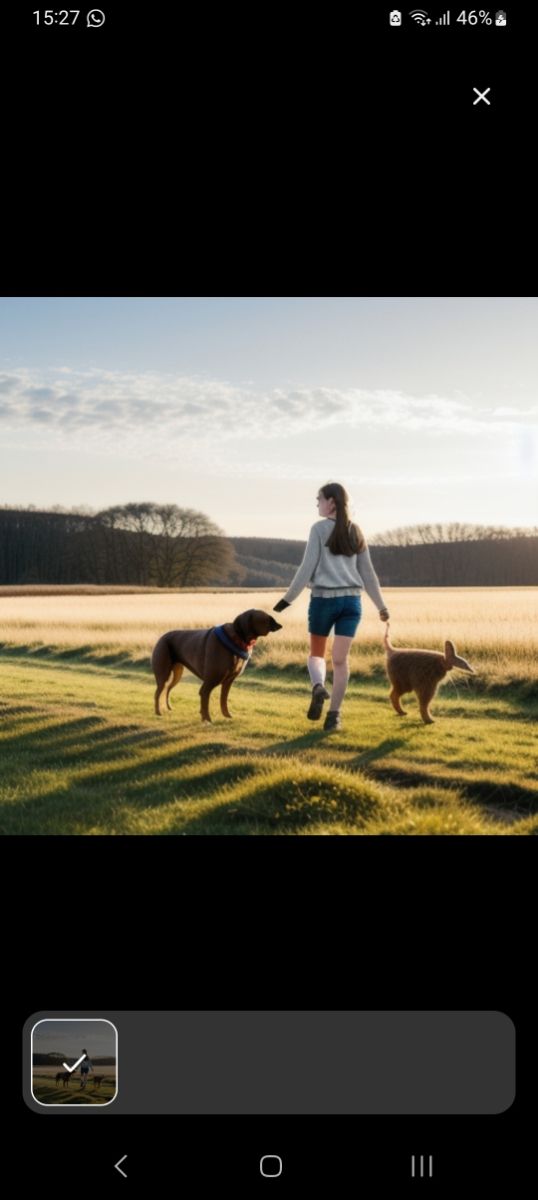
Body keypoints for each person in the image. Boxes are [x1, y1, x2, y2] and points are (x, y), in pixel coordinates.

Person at [273, 482, 389, 730]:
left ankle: (317, 687)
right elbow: (368, 574)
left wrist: (287, 599)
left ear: (332, 503)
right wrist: (381, 606)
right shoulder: (355, 530)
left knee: (317, 654)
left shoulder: (318, 529)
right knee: (339, 660)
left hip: (323, 602)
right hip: (351, 603)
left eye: (319, 499)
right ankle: (334, 716)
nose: (317, 503)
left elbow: (307, 568)